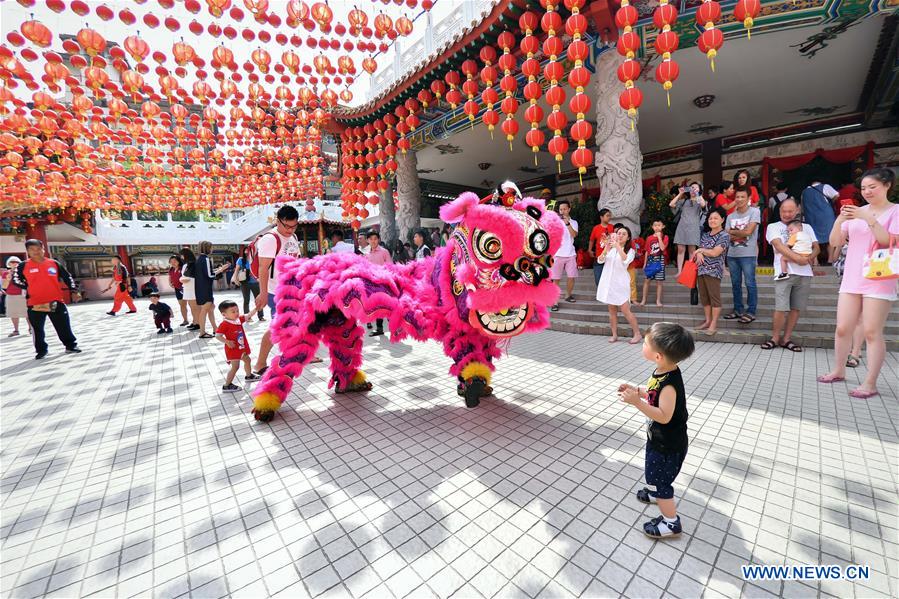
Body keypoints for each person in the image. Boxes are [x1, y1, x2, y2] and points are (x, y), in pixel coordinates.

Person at [818, 168, 899, 399]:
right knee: (843, 327)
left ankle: (870, 382)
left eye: (872, 187)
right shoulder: (856, 212)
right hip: (852, 276)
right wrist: (840, 220)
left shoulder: (895, 211)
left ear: (887, 186)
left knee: (872, 331)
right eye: (863, 188)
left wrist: (868, 218)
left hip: (880, 276)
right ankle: (838, 370)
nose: (867, 192)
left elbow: (886, 241)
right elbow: (835, 242)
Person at [618, 322, 695, 539]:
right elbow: (652, 392)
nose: (642, 345)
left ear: (658, 355)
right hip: (658, 440)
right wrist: (637, 391)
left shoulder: (670, 384)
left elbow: (664, 415)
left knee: (662, 482)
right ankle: (655, 493)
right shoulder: (662, 371)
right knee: (654, 473)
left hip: (668, 446)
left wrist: (636, 403)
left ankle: (671, 523)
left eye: (645, 343)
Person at [762, 198, 820, 352]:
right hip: (784, 273)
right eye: (783, 211)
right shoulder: (773, 226)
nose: (786, 214)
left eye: (790, 211)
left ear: (797, 211)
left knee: (796, 308)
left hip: (805, 273)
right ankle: (775, 338)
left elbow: (816, 247)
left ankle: (786, 338)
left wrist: (808, 258)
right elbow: (778, 245)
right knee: (781, 307)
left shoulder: (806, 227)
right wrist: (798, 259)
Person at [253, 205, 303, 375]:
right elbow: (263, 268)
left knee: (283, 326)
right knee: (280, 327)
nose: (290, 230)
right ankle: (264, 363)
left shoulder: (293, 236)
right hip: (276, 292)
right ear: (278, 221)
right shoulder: (270, 239)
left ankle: (270, 361)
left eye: (294, 226)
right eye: (287, 226)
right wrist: (263, 293)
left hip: (293, 290)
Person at [11, 239, 82, 359]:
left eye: (38, 249)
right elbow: (16, 280)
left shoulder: (54, 263)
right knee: (37, 329)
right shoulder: (23, 265)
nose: (36, 252)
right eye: (32, 249)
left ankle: (70, 346)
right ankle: (41, 350)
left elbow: (67, 277)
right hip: (35, 303)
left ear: (43, 249)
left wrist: (74, 291)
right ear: (28, 251)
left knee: (63, 325)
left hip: (55, 301)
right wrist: (28, 287)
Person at [596, 226, 642, 344]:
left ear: (628, 238)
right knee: (612, 311)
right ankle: (614, 334)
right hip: (609, 283)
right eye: (619, 233)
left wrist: (617, 246)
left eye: (623, 234)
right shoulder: (610, 249)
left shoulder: (630, 251)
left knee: (626, 310)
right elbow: (600, 260)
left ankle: (637, 334)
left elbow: (626, 260)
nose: (620, 235)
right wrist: (606, 248)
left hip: (621, 284)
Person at [723, 188, 761, 324]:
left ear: (748, 198)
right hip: (732, 254)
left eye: (742, 197)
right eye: (737, 197)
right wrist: (742, 233)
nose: (739, 199)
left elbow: (749, 232)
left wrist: (736, 233)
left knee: (750, 283)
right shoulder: (730, 216)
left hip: (748, 254)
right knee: (735, 284)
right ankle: (738, 309)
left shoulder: (755, 212)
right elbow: (727, 235)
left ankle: (751, 311)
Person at [694, 208, 729, 336]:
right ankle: (707, 321)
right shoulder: (705, 235)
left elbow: (715, 252)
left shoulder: (724, 235)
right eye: (710, 218)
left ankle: (713, 323)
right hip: (701, 270)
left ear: (722, 220)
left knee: (714, 298)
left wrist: (700, 251)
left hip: (714, 271)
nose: (712, 220)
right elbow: (698, 252)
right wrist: (699, 253)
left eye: (715, 218)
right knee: (704, 297)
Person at [216, 300, 260, 391]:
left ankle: (249, 376)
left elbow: (248, 315)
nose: (236, 313)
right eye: (233, 312)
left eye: (237, 311)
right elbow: (218, 335)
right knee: (235, 367)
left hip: (241, 347)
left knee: (247, 360)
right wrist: (227, 341)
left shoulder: (238, 320)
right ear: (224, 314)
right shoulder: (225, 324)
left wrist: (257, 308)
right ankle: (227, 385)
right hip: (233, 349)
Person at [669, 181, 706, 275]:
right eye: (691, 188)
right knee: (680, 250)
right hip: (682, 227)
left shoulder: (699, 200)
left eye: (695, 188)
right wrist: (680, 193)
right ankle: (679, 271)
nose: (693, 189)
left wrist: (698, 193)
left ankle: (689, 272)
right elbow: (671, 204)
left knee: (692, 251)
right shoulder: (684, 201)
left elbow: (703, 205)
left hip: (693, 228)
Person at [195, 241, 229, 339]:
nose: (212, 249)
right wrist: (221, 270)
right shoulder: (205, 259)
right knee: (205, 310)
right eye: (211, 247)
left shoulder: (199, 259)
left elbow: (206, 273)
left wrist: (218, 270)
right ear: (207, 248)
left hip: (201, 288)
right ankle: (202, 332)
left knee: (211, 309)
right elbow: (210, 275)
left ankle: (215, 329)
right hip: (205, 288)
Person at [550, 200, 579, 311]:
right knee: (556, 279)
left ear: (569, 209)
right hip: (558, 254)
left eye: (565, 209)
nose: (562, 211)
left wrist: (567, 223)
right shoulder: (555, 222)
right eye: (561, 209)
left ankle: (568, 295)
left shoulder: (574, 222)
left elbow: (574, 235)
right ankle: (555, 302)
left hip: (571, 253)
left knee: (571, 277)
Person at [800, 180, 838, 264]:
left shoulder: (804, 192)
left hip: (811, 216)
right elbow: (836, 195)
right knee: (830, 237)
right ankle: (830, 260)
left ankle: (815, 260)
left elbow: (802, 207)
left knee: (813, 238)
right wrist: (830, 202)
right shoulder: (825, 186)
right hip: (826, 216)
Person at [365, 231, 393, 337]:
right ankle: (380, 329)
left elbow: (390, 267)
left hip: (384, 284)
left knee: (388, 306)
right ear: (368, 240)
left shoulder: (384, 252)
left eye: (375, 238)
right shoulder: (366, 254)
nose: (373, 241)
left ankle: (395, 327)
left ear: (379, 240)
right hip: (372, 285)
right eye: (371, 239)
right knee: (377, 307)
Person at [638, 220, 668, 307]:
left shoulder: (665, 237)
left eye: (659, 225)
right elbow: (647, 251)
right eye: (655, 225)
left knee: (659, 282)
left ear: (663, 226)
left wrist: (659, 238)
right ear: (652, 227)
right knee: (647, 280)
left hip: (660, 260)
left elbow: (662, 248)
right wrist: (644, 263)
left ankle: (658, 300)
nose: (657, 227)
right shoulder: (649, 238)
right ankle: (644, 300)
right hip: (650, 260)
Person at [232, 247, 265, 322]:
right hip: (244, 282)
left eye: (248, 251)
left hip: (255, 282)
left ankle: (261, 316)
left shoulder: (255, 259)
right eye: (245, 251)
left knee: (258, 300)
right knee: (246, 300)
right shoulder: (241, 260)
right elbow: (237, 270)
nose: (247, 252)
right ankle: (247, 317)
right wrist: (235, 278)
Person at [2, 256, 28, 337]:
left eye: (16, 262)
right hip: (11, 295)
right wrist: (8, 278)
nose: (14, 263)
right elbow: (4, 286)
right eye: (12, 262)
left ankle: (31, 328)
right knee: (13, 313)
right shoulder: (6, 273)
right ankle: (16, 330)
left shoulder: (23, 272)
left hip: (22, 294)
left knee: (27, 313)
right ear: (8, 264)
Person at [588, 208, 615, 287]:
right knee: (598, 278)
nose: (609, 217)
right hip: (599, 256)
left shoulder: (612, 227)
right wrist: (589, 250)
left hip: (610, 257)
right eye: (607, 216)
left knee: (610, 278)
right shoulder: (596, 228)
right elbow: (591, 240)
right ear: (601, 217)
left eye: (610, 216)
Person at [179, 248, 201, 331]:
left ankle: (197, 323)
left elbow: (188, 277)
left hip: (191, 287)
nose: (181, 257)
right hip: (188, 287)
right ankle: (195, 321)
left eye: (181, 255)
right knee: (192, 307)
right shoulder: (189, 264)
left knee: (194, 307)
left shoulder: (191, 264)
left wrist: (181, 279)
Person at [168, 254, 189, 326]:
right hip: (177, 289)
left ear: (179, 261)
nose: (173, 263)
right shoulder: (171, 269)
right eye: (171, 262)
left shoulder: (183, 268)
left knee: (190, 304)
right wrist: (170, 283)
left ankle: (196, 321)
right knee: (182, 305)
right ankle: (185, 320)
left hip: (186, 289)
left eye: (174, 261)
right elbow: (170, 277)